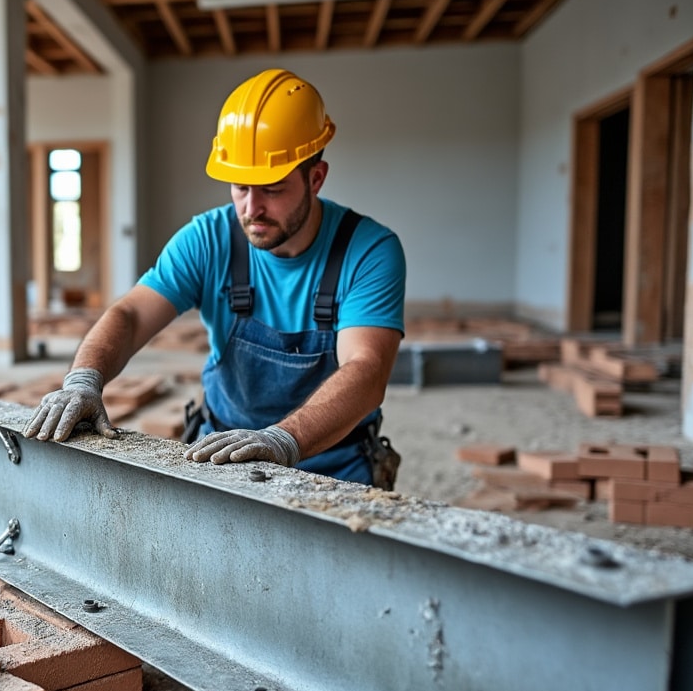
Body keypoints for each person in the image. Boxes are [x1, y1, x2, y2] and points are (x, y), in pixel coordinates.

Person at [22, 69, 406, 488]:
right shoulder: (208, 238)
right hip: (220, 455)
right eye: (240, 187)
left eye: (272, 189)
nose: (251, 209)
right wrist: (84, 380)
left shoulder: (369, 250)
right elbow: (131, 314)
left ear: (316, 178)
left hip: (337, 467)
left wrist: (283, 440)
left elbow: (366, 369)